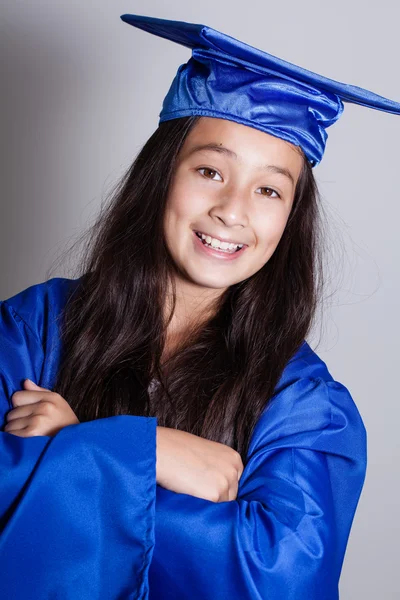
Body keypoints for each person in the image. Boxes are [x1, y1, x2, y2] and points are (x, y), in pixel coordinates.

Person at [2, 12, 398, 599]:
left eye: (269, 189)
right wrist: (146, 451)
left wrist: (72, 445)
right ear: (162, 177)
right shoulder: (35, 326)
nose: (232, 210)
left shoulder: (308, 410)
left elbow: (276, 578)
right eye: (210, 170)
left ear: (291, 220)